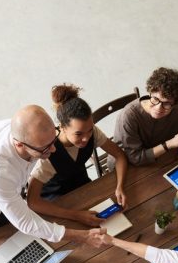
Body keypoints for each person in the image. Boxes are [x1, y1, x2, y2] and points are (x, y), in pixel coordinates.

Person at [0, 105, 106, 248]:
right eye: (44, 148)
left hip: (3, 190)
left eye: (53, 141)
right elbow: (25, 222)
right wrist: (81, 236)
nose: (53, 150)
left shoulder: (25, 132)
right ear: (19, 144)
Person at [27, 84, 128, 226]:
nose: (86, 138)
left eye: (90, 130)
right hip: (57, 203)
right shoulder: (47, 154)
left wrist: (120, 187)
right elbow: (32, 202)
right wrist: (77, 216)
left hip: (83, 188)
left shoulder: (91, 133)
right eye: (79, 134)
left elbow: (120, 156)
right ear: (62, 127)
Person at [111, 67, 178, 167]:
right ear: (150, 91)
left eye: (167, 103)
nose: (159, 108)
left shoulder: (177, 111)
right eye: (155, 98)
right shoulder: (128, 116)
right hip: (126, 165)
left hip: (159, 159)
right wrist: (169, 144)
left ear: (175, 103)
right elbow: (135, 158)